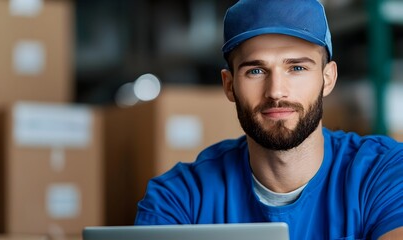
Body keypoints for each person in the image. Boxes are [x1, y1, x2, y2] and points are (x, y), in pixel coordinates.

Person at [134, 0, 403, 239]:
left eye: (297, 68)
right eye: (256, 70)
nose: (276, 91)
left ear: (327, 78)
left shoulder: (383, 173)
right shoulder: (180, 197)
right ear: (229, 86)